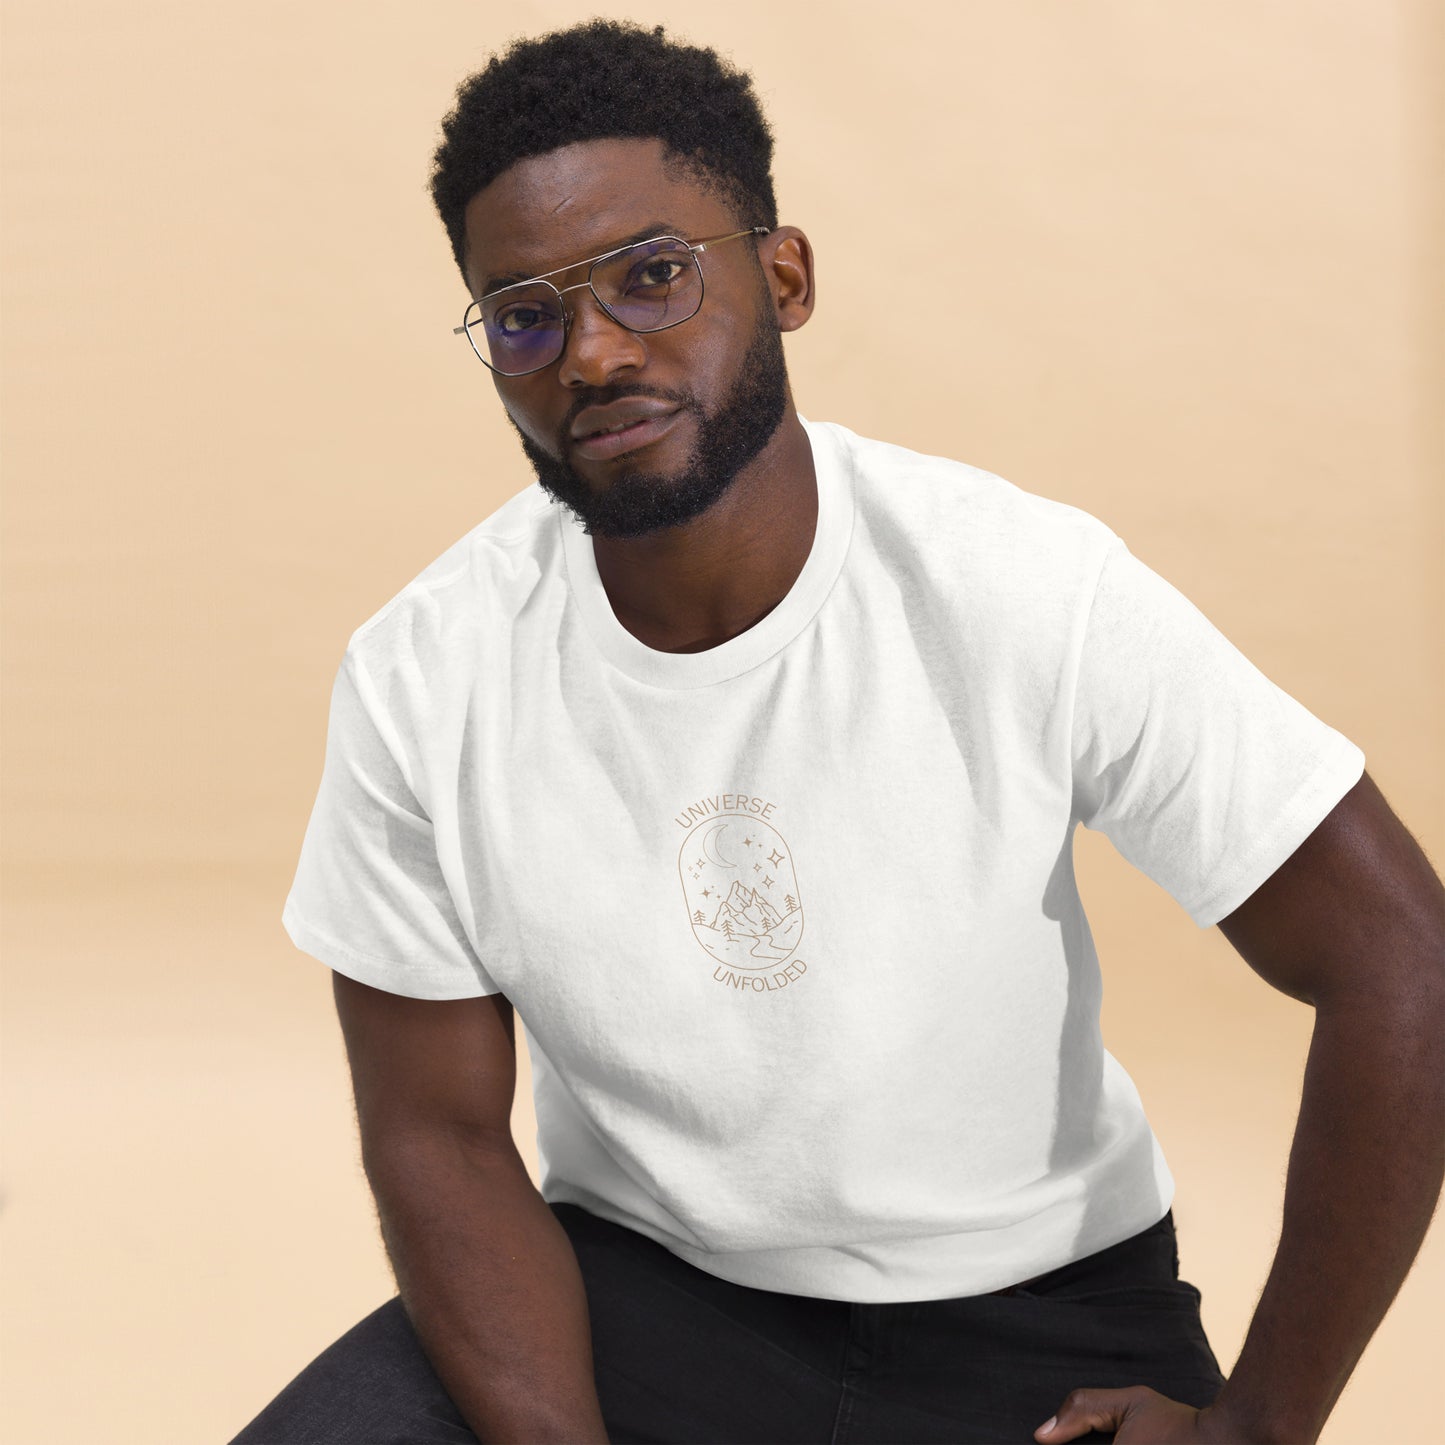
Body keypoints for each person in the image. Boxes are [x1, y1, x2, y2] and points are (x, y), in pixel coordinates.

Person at [230, 20, 1445, 1445]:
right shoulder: (421, 674)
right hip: (640, 1298)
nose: (594, 352)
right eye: (524, 316)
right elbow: (433, 1132)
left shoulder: (1019, 585)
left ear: (783, 276)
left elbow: (1399, 958)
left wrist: (1259, 1424)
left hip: (1034, 1320)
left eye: (652, 275)